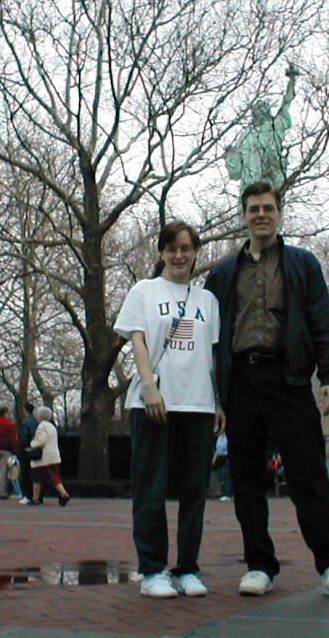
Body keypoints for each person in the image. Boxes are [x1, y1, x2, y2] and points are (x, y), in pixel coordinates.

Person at [204, 180, 329, 601]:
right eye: (253, 208)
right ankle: (259, 564)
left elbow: (321, 321)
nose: (261, 214)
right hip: (240, 383)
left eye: (268, 208)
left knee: (309, 475)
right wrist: (214, 394)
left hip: (288, 379)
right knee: (246, 478)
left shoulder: (302, 264)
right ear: (243, 214)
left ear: (279, 213)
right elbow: (208, 335)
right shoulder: (222, 272)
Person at [114, 220, 222, 599]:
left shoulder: (207, 301)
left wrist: (219, 401)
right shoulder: (144, 291)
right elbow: (138, 341)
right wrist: (149, 388)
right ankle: (152, 570)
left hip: (198, 404)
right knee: (151, 489)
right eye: (171, 247)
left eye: (186, 248)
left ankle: (188, 568)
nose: (179, 255)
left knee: (194, 490)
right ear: (161, 252)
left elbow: (212, 356)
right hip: (153, 404)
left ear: (195, 253)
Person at [28, 406, 71, 507]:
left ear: (40, 416)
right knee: (54, 477)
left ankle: (36, 498)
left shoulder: (41, 426)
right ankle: (63, 494)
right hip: (54, 456)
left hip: (44, 458)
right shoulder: (52, 426)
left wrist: (32, 443)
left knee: (37, 478)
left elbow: (41, 440)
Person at [18, 402, 39, 504]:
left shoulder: (25, 422)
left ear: (25, 410)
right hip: (36, 450)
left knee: (25, 473)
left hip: (26, 450)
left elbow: (24, 438)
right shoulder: (37, 421)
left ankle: (27, 495)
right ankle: (37, 496)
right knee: (35, 474)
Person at [214, 432, 233, 501]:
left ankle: (228, 494)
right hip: (220, 458)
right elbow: (217, 449)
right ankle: (224, 493)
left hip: (227, 457)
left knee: (226, 475)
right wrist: (214, 459)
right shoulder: (219, 437)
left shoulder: (228, 437)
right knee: (221, 477)